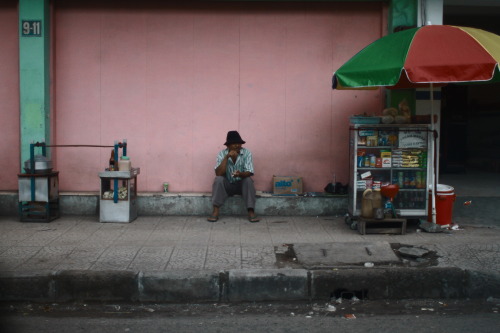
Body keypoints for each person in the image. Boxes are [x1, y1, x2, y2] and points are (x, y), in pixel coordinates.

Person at [208, 131, 260, 223]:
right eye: (234, 143)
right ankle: (215, 211)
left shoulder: (247, 153)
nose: (237, 145)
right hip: (227, 185)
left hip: (241, 185)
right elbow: (218, 173)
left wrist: (240, 174)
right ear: (228, 146)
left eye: (238, 143)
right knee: (218, 179)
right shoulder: (221, 154)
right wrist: (226, 158)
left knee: (248, 180)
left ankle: (251, 211)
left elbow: (249, 172)